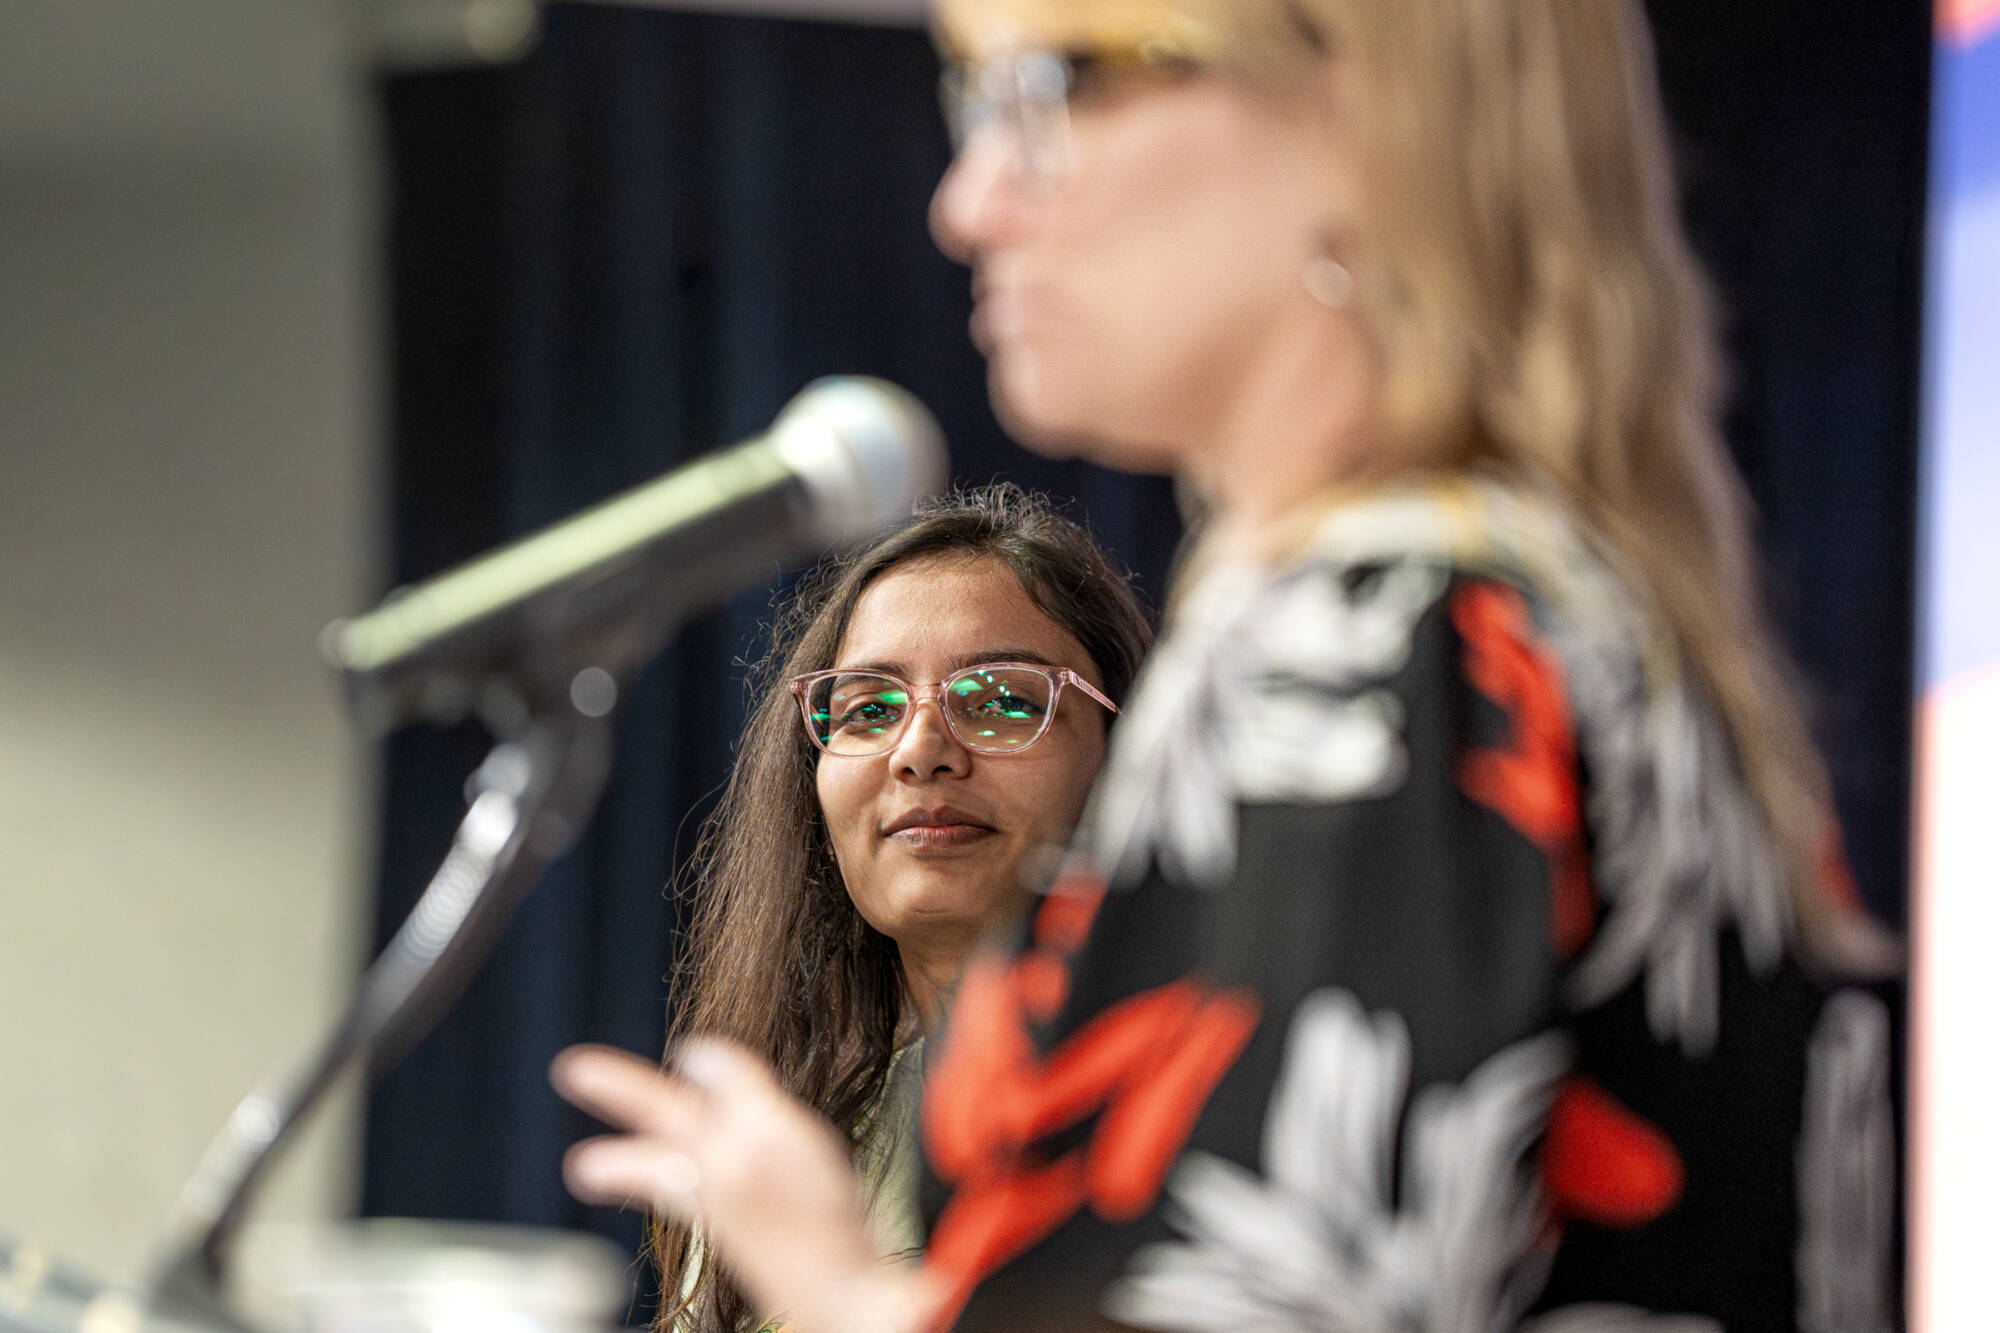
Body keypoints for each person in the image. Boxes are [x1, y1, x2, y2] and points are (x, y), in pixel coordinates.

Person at [553, 3, 1900, 1330]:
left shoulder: (1380, 647)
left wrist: (845, 1296)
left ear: (1353, 117)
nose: (967, 202)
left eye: (1055, 90)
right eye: (978, 107)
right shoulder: (1532, 614)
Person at [642, 483, 1152, 1332]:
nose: (920, 751)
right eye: (869, 709)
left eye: (999, 700)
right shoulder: (788, 1137)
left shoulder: (1219, 1102)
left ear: (1129, 747)